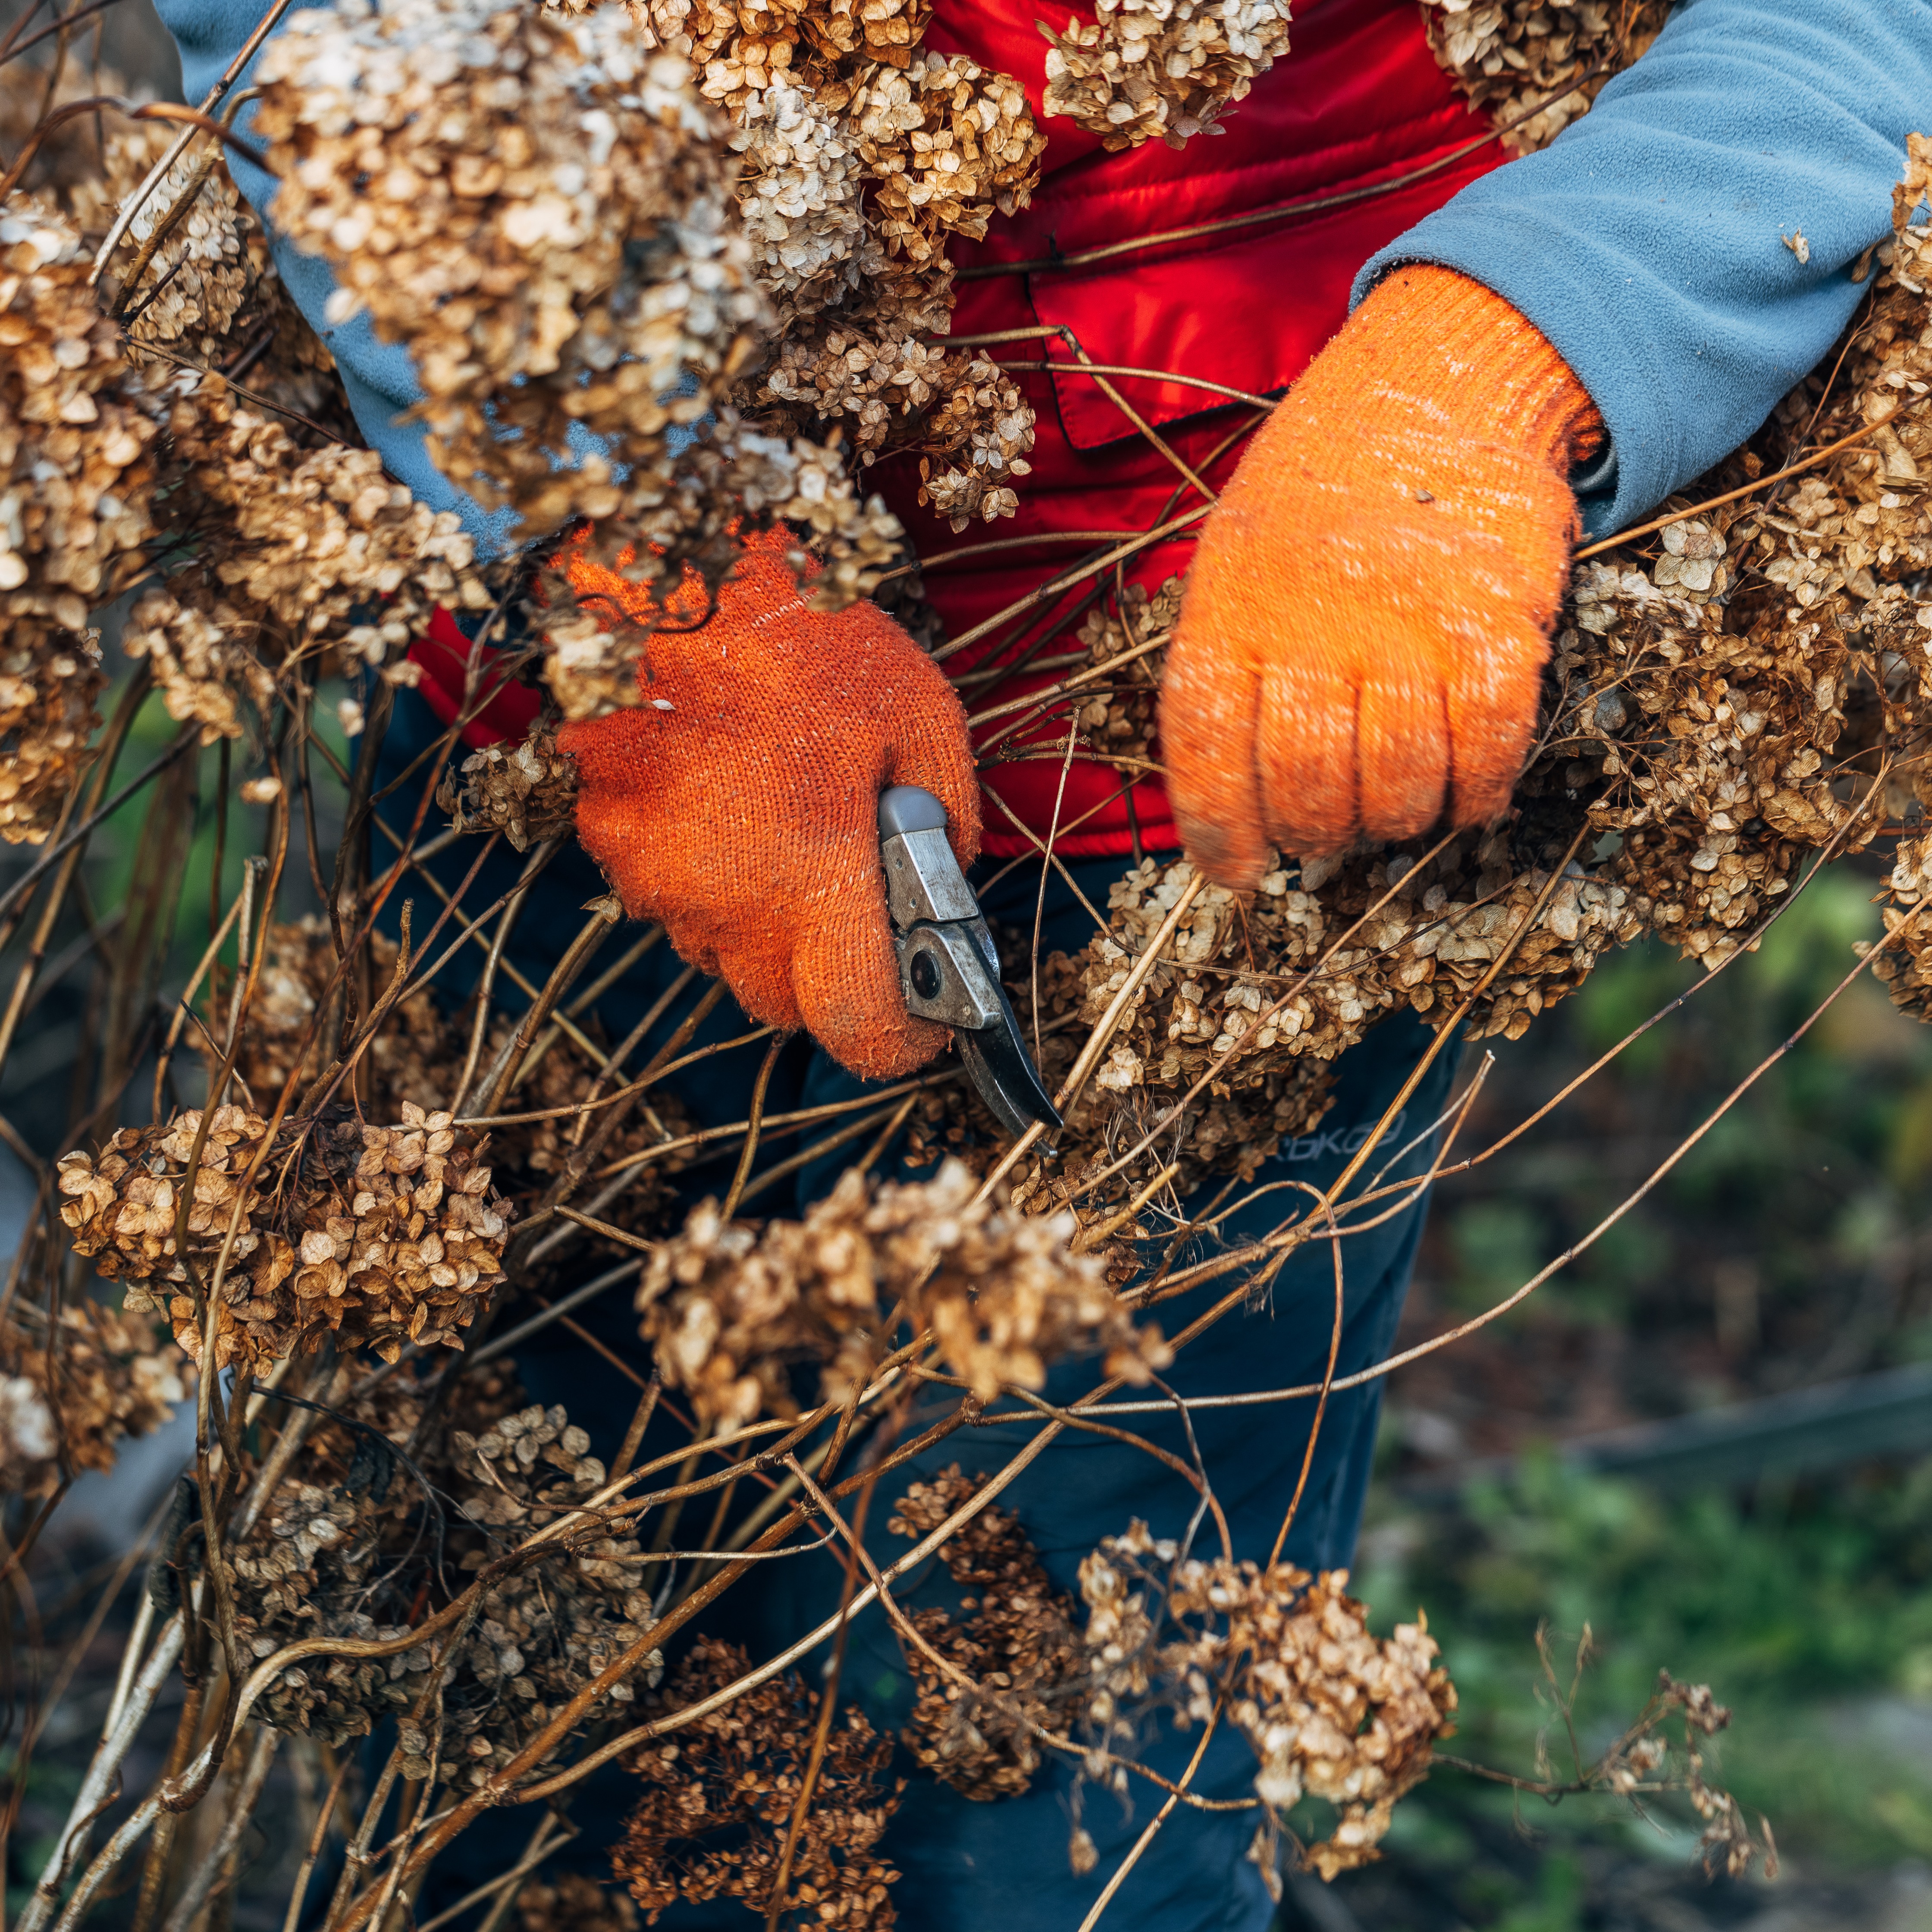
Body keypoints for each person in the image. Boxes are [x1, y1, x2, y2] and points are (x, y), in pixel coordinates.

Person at [151, 0, 1932, 1923]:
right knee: (502, 1762)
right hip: (596, 781)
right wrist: (624, 543)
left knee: (1074, 1815)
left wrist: (1500, 356)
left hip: (1243, 752)